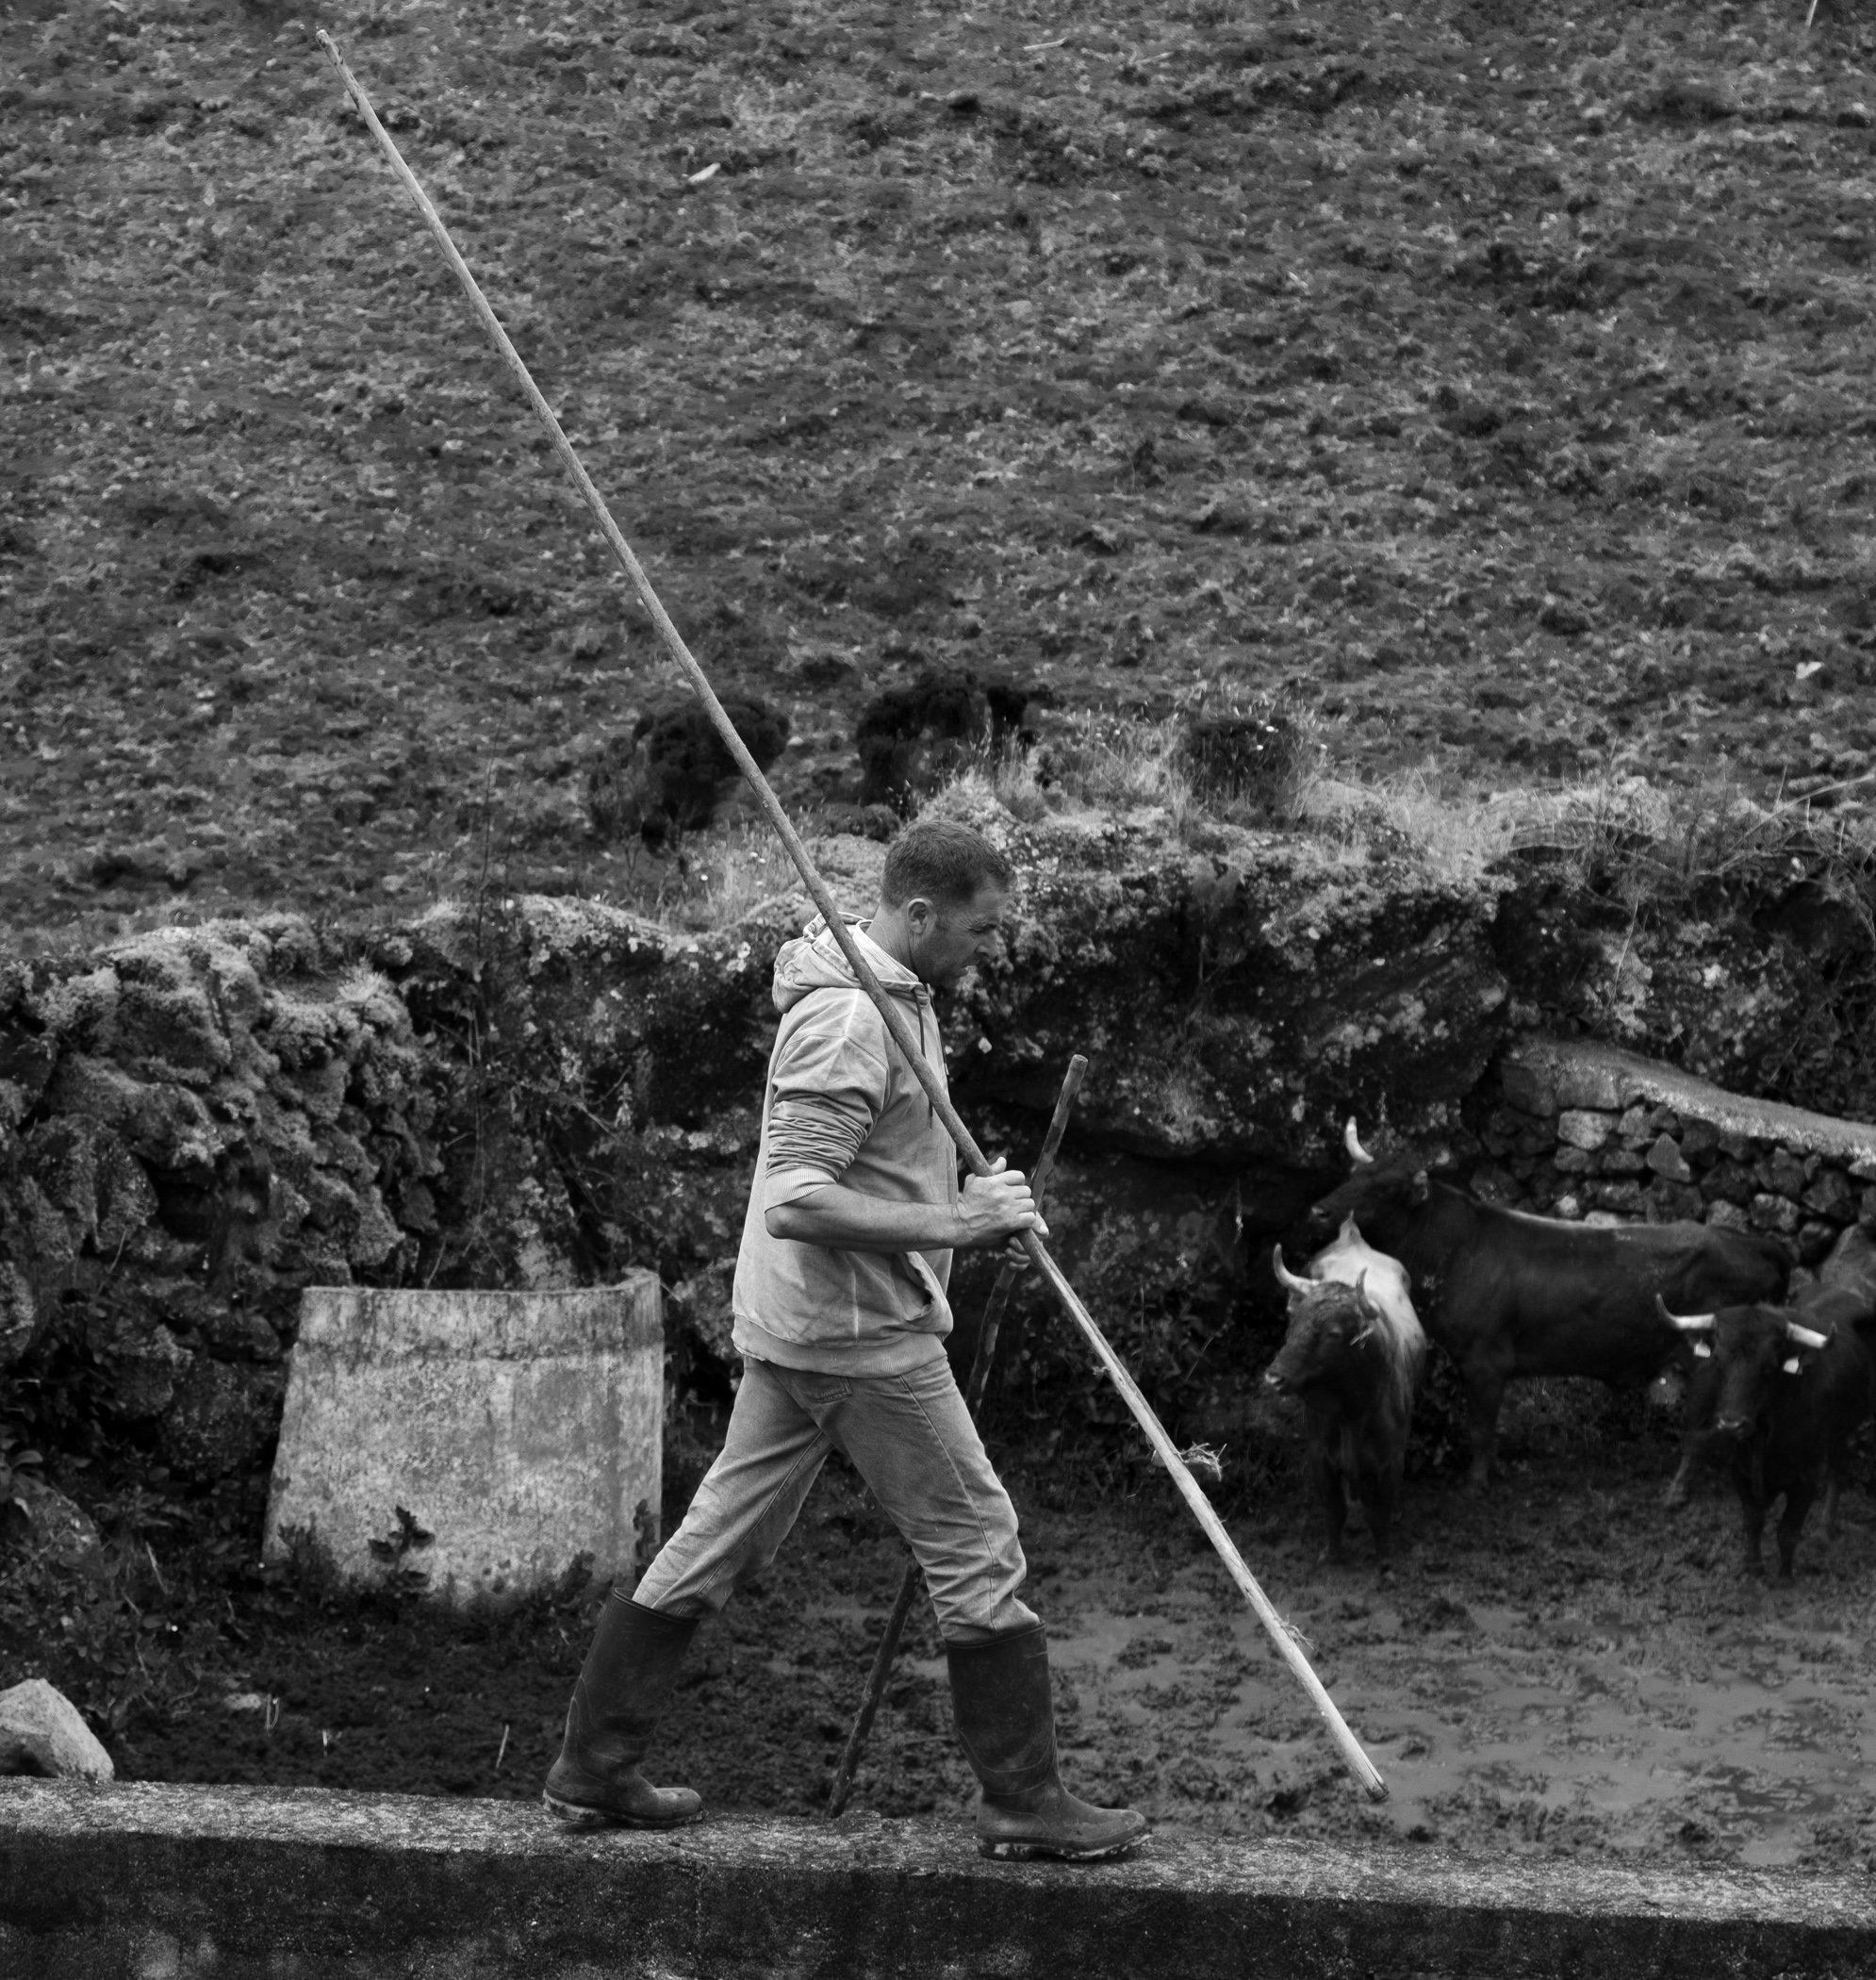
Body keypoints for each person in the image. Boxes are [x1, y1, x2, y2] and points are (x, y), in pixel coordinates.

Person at [543, 816, 1147, 1862]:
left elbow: (868, 1172)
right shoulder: (848, 1022)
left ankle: (591, 1768)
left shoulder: (898, 999)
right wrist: (955, 1225)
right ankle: (1022, 1801)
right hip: (862, 1340)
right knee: (975, 1544)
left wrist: (965, 1202)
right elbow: (799, 1200)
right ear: (919, 914)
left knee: (714, 1541)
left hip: (805, 1328)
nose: (988, 949)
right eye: (979, 929)